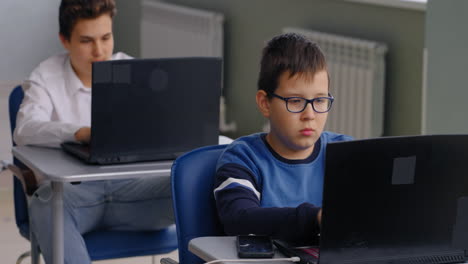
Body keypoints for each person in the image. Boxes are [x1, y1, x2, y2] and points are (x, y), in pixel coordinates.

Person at [13, 1, 173, 263]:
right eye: (87, 41)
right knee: (46, 205)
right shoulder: (46, 75)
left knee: (199, 185)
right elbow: (26, 130)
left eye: (106, 38)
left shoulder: (131, 70)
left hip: (135, 195)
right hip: (73, 198)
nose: (99, 51)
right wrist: (80, 133)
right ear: (65, 40)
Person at [213, 33, 353, 243]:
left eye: (320, 100)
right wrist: (314, 218)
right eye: (295, 101)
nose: (310, 115)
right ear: (265, 103)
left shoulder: (346, 150)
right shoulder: (243, 158)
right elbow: (239, 219)